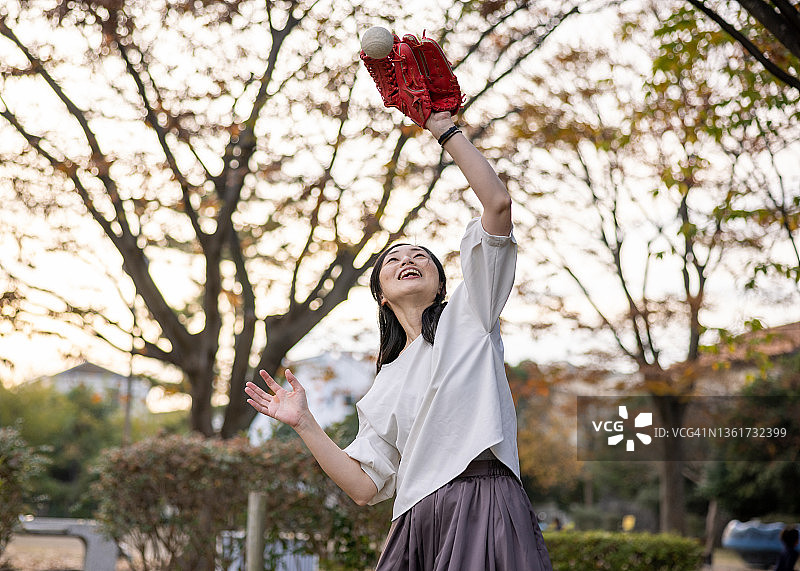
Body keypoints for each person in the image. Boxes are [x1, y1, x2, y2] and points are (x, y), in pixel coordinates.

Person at [245, 111, 553, 570]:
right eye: (393, 259)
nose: (407, 259)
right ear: (382, 297)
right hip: (415, 521)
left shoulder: (470, 316)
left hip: (482, 503)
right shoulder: (382, 385)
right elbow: (365, 487)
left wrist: (443, 129)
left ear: (441, 284)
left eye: (419, 257)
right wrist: (305, 423)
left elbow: (498, 205)